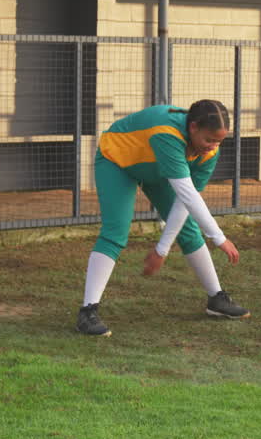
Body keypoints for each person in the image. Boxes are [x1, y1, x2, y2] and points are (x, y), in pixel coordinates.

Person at [76, 99, 247, 337]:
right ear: (193, 127)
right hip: (117, 161)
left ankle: (216, 299)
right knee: (116, 232)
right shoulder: (167, 134)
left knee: (188, 230)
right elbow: (188, 195)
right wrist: (219, 238)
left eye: (219, 141)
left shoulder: (209, 150)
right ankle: (88, 311)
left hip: (154, 166)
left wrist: (161, 249)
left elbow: (185, 201)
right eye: (209, 140)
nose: (213, 146)